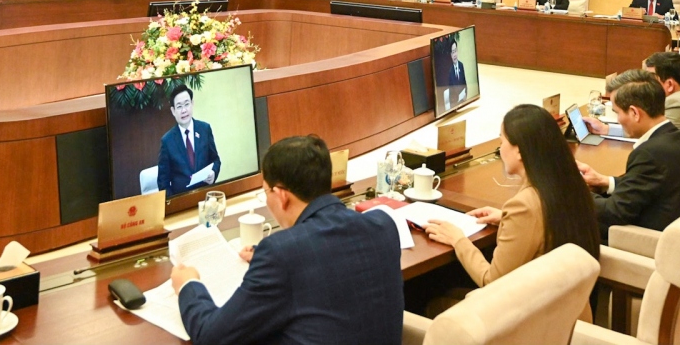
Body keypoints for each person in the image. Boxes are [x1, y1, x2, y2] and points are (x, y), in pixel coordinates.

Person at [172, 135, 403, 345]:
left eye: (266, 192)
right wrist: (268, 262)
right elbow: (334, 268)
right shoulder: (383, 225)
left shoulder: (281, 254)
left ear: (281, 196)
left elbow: (212, 336)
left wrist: (188, 285)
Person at [424, 105, 600, 322]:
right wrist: (507, 219)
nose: (500, 149)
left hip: (532, 321)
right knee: (451, 290)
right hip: (568, 310)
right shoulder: (569, 183)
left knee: (431, 300)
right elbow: (547, 221)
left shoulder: (524, 206)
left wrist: (458, 240)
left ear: (519, 151)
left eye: (502, 141)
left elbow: (492, 281)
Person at [577, 72, 680, 242]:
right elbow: (647, 185)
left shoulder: (649, 154)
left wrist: (575, 191)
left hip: (650, 243)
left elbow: (614, 212)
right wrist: (606, 182)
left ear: (635, 113)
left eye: (617, 113)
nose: (618, 119)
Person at [587, 57, 680, 176]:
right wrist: (606, 129)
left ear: (669, 84)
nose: (644, 83)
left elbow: (647, 132)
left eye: (651, 78)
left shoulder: (678, 103)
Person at [157, 83, 220, 196]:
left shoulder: (205, 129)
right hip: (182, 199)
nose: (184, 110)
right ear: (173, 111)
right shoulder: (167, 141)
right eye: (179, 106)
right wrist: (175, 203)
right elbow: (163, 182)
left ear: (192, 104)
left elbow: (215, 160)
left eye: (187, 104)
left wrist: (213, 173)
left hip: (206, 195)